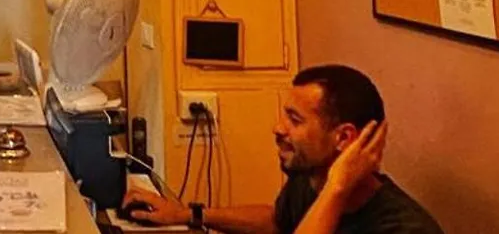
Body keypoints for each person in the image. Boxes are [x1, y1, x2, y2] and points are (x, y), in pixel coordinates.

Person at [120, 65, 444, 233]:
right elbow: (277, 222)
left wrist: (338, 188)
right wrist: (187, 215)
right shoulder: (311, 178)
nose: (278, 128)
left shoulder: (404, 229)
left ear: (344, 138)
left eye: (295, 120)